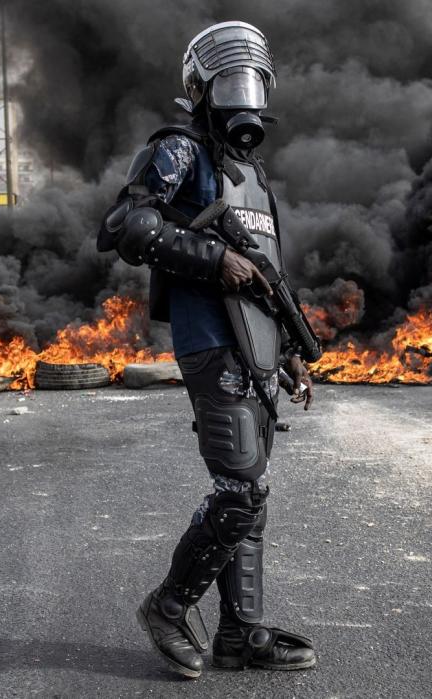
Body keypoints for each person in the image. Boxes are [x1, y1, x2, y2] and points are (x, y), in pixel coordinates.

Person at [96, 21, 317, 678]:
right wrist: (213, 257)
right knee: (240, 492)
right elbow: (125, 227)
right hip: (211, 349)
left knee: (253, 493)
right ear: (199, 87)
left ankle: (241, 635)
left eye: (251, 81)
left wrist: (292, 353)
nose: (242, 95)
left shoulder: (252, 177)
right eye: (230, 81)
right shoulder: (179, 151)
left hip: (257, 354)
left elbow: (270, 277)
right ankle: (169, 606)